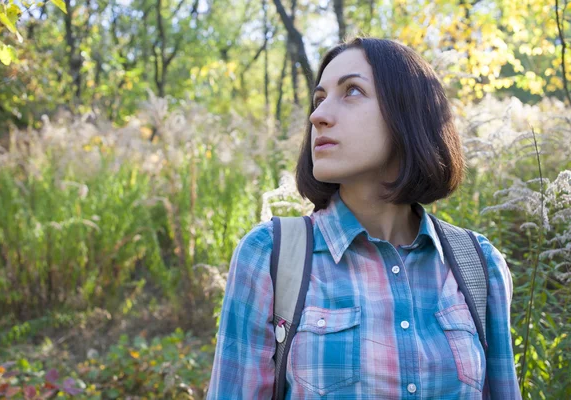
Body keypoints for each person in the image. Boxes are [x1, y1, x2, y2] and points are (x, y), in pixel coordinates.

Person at [206, 37, 521, 399]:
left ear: (409, 112)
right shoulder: (269, 256)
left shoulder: (479, 264)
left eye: (352, 91)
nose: (318, 116)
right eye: (319, 99)